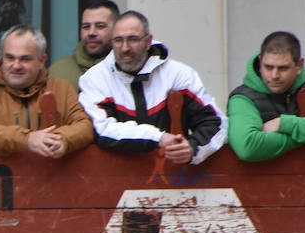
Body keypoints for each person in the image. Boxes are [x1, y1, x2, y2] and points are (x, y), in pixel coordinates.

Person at [78, 10, 226, 166]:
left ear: (148, 41)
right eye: (118, 40)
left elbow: (216, 123)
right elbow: (100, 130)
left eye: (133, 39)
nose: (125, 48)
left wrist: (192, 149)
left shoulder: (179, 74)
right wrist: (159, 138)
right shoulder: (94, 79)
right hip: (112, 177)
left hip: (175, 181)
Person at [0, 24, 93, 159]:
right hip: (0, 177)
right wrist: (26, 139)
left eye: (25, 59)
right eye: (9, 58)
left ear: (41, 61)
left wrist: (61, 139)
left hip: (54, 176)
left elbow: (85, 126)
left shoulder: (61, 88)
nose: (16, 65)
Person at [227, 31, 305, 162]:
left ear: (299, 66)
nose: (274, 75)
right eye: (268, 67)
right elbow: (248, 147)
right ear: (260, 62)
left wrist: (283, 124)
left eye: (283, 68)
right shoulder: (243, 97)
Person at [49, 0, 118, 88]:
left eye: (100, 26)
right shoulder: (58, 72)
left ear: (117, 29)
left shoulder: (128, 69)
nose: (91, 33)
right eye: (86, 26)